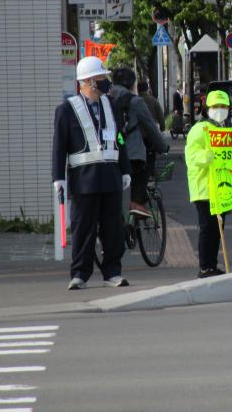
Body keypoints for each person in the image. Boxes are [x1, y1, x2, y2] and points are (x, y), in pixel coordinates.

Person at [52, 56, 132, 290]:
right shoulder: (66, 110)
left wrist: (124, 169)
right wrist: (58, 178)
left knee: (112, 229)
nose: (105, 81)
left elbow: (119, 139)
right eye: (100, 78)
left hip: (110, 178)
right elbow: (59, 146)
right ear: (86, 82)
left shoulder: (112, 105)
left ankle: (112, 273)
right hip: (82, 180)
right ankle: (79, 274)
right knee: (83, 229)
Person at [110, 67, 169, 218]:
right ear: (132, 84)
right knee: (142, 172)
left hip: (110, 154)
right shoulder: (135, 101)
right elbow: (151, 128)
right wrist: (163, 146)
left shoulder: (105, 100)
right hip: (133, 154)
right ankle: (137, 204)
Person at [185, 90, 231, 278]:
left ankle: (211, 264)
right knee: (207, 228)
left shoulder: (223, 128)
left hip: (221, 188)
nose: (219, 110)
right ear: (207, 108)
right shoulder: (199, 129)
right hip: (204, 188)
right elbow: (191, 155)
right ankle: (205, 267)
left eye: (223, 106)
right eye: (215, 107)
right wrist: (209, 156)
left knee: (217, 229)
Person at [137, 81, 165, 177]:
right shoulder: (153, 100)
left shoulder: (135, 100)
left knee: (140, 155)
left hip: (138, 134)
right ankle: (151, 173)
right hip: (150, 133)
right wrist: (162, 127)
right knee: (151, 154)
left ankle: (141, 173)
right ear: (147, 89)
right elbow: (160, 116)